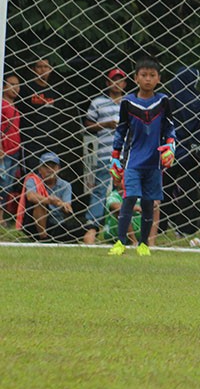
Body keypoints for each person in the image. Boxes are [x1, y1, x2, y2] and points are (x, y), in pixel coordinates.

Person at [109, 58, 177, 256]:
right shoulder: (128, 102)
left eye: (152, 75)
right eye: (144, 75)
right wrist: (115, 155)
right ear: (136, 78)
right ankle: (121, 242)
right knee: (129, 197)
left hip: (155, 161)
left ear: (158, 79)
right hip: (133, 160)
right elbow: (121, 129)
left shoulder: (163, 101)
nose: (148, 79)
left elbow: (169, 127)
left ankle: (143, 244)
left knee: (148, 202)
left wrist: (170, 146)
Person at [164, 66, 200, 236]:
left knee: (164, 188)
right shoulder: (199, 102)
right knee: (189, 190)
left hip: (169, 151)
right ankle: (186, 228)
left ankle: (162, 224)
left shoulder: (168, 101)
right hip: (192, 153)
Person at [83, 68, 127, 245]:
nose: (117, 83)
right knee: (101, 190)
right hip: (105, 154)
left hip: (126, 155)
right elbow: (88, 124)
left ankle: (123, 228)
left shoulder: (129, 102)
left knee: (124, 191)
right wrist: (105, 124)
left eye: (120, 80)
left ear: (125, 84)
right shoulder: (98, 102)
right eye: (114, 80)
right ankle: (92, 226)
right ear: (108, 83)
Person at [15, 152, 82, 241]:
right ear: (39, 169)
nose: (50, 170)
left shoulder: (65, 185)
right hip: (34, 223)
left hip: (57, 222)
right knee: (40, 204)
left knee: (90, 228)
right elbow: (30, 196)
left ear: (58, 169)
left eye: (53, 167)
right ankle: (44, 238)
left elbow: (67, 207)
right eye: (46, 167)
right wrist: (50, 200)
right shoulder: (33, 179)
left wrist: (63, 206)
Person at [18, 58, 60, 161]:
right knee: (31, 173)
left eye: (46, 67)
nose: (43, 70)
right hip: (30, 140)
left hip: (50, 139)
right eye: (39, 67)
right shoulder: (26, 89)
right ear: (33, 69)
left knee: (48, 174)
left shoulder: (54, 91)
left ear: (50, 69)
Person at [1, 73, 22, 221]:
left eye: (17, 85)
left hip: (14, 149)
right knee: (2, 184)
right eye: (12, 84)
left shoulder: (14, 105)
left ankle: (2, 216)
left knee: (8, 186)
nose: (15, 88)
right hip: (4, 150)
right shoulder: (2, 104)